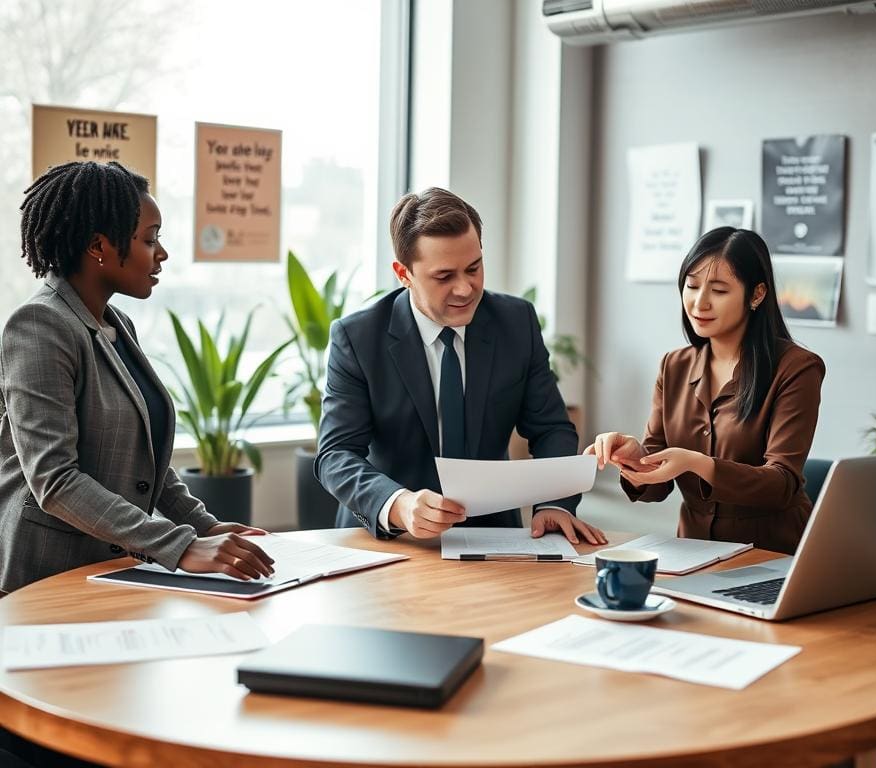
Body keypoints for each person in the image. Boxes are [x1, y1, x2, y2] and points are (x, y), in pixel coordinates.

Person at [0, 161, 275, 595]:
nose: (161, 253)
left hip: (113, 568)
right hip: (48, 576)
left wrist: (202, 525)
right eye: (149, 239)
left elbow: (146, 461)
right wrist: (180, 546)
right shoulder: (39, 325)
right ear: (98, 246)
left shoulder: (117, 324)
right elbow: (54, 480)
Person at [316, 187, 606, 545]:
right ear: (403, 274)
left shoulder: (516, 322)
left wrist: (555, 504)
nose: (465, 289)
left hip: (493, 537)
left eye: (474, 268)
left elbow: (551, 428)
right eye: (444, 276)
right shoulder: (357, 337)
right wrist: (398, 504)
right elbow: (336, 454)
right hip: (389, 540)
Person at [587, 227, 825, 555]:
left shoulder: (797, 368)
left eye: (719, 290)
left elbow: (781, 483)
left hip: (773, 554)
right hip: (694, 553)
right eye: (692, 286)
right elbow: (656, 486)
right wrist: (635, 459)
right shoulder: (674, 366)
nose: (700, 303)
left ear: (756, 295)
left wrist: (698, 463)